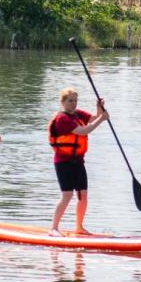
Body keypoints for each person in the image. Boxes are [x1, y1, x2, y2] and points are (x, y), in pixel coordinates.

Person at [48, 87, 109, 236]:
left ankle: (79, 227)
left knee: (83, 195)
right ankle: (53, 228)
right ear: (63, 102)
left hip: (78, 162)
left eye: (75, 100)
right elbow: (84, 131)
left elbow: (93, 118)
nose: (73, 104)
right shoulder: (62, 119)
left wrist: (99, 109)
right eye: (70, 101)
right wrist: (102, 119)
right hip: (63, 162)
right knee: (67, 195)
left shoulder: (77, 114)